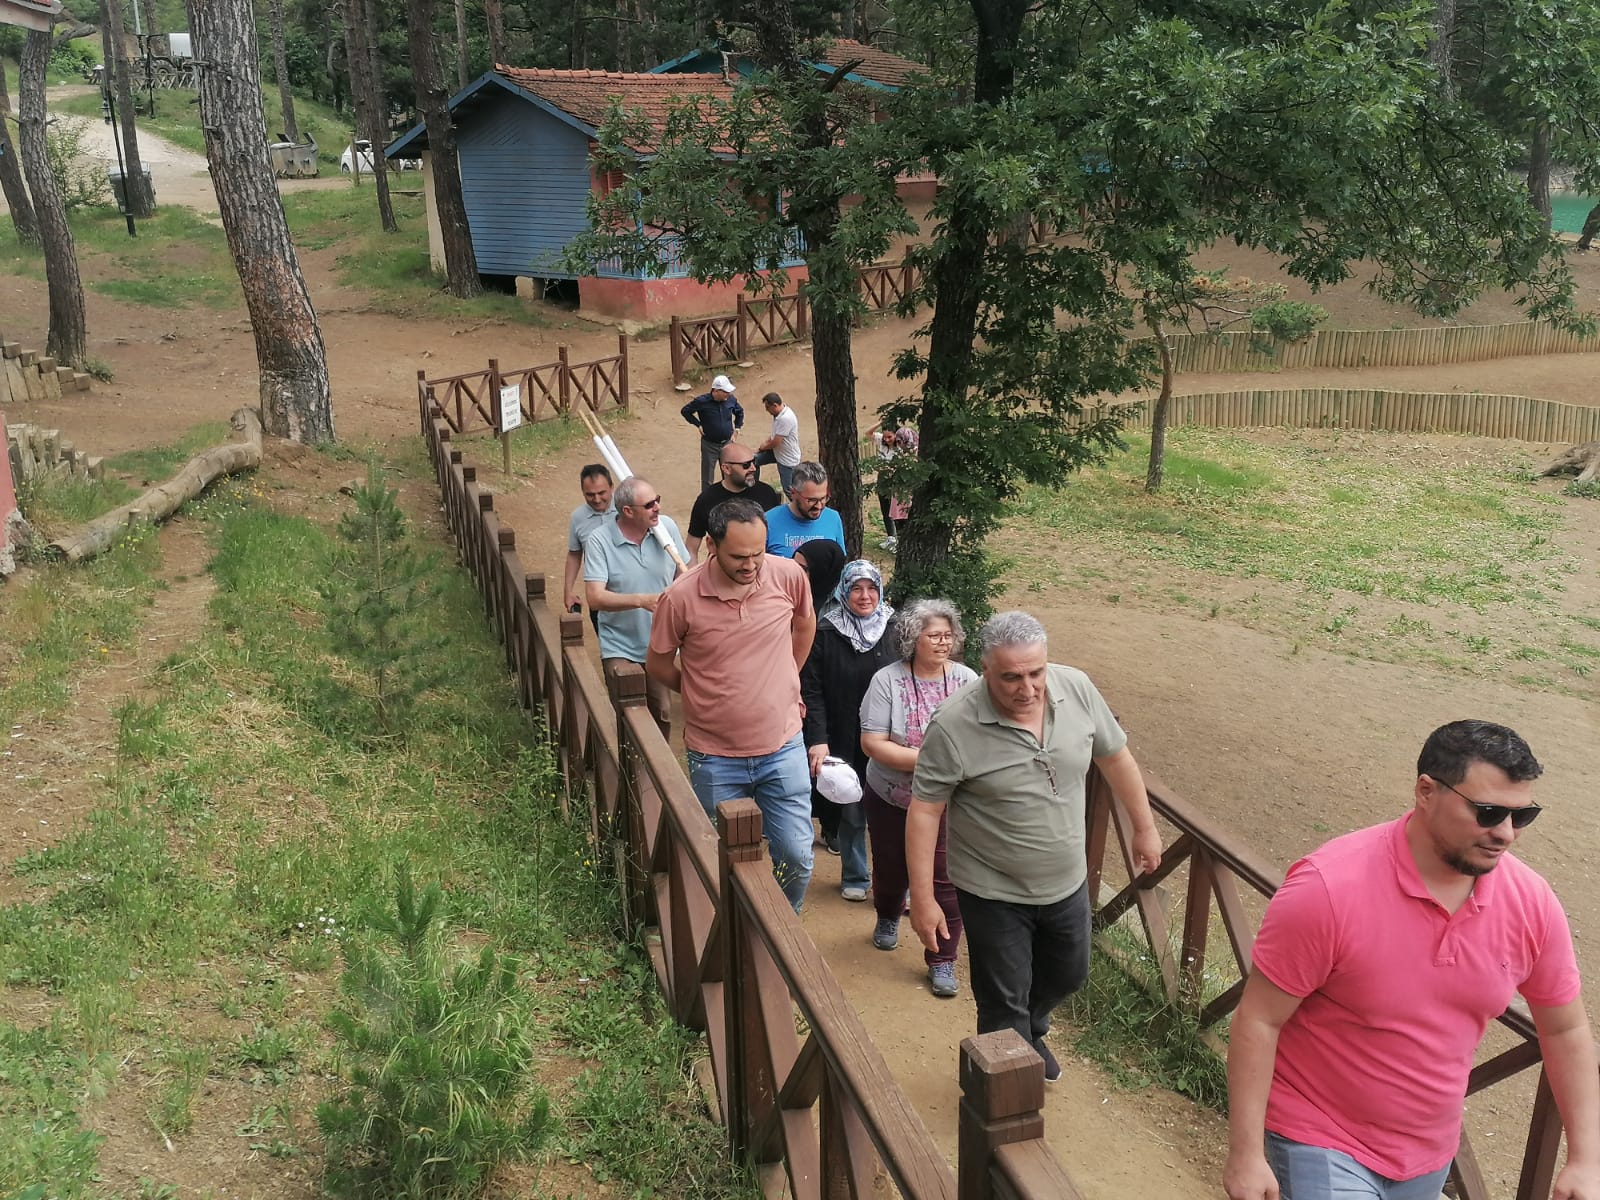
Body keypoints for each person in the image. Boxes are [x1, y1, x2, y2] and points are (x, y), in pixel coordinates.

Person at [1223, 720, 1599, 1200]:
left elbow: (1565, 1029)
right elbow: (1258, 1018)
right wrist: (1246, 1155)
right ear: (1426, 791)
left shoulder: (1532, 903)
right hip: (1319, 1137)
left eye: (1521, 816)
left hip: (1428, 1158)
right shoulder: (1328, 890)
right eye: (1487, 812)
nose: (1505, 834)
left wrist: (1587, 1158)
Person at [907, 610, 1161, 1082]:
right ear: (985, 670)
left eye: (1036, 673)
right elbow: (925, 810)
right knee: (1002, 1001)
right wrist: (923, 899)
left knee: (1069, 974)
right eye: (1011, 677)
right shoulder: (954, 724)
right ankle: (999, 1105)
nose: (1027, 689)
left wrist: (1144, 828)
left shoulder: (1077, 688)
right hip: (991, 889)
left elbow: (1115, 756)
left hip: (1065, 880)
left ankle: (1030, 1031)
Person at [647, 499, 818, 911]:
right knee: (713, 858)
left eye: (758, 553)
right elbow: (656, 662)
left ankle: (782, 931)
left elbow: (805, 622)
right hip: (714, 755)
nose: (751, 564)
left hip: (783, 745)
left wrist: (788, 677)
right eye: (739, 556)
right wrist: (697, 692)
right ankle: (727, 939)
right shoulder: (680, 598)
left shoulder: (789, 576)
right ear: (711, 544)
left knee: (796, 856)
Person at [858, 599, 977, 998]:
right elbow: (872, 743)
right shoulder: (887, 680)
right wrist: (934, 761)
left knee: (948, 879)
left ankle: (942, 956)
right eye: (935, 636)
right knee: (892, 869)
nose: (944, 643)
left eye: (949, 635)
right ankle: (888, 914)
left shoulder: (966, 681)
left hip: (948, 804)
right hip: (892, 796)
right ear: (913, 639)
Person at [801, 561, 897, 906]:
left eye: (871, 588)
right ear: (844, 591)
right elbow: (810, 690)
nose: (865, 596)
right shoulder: (826, 632)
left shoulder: (894, 629)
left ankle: (897, 884)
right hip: (843, 735)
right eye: (856, 588)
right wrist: (818, 738)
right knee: (852, 810)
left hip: (891, 739)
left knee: (894, 816)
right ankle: (856, 875)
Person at [583, 476, 687, 737]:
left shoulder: (668, 528)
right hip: (619, 644)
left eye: (657, 500)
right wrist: (642, 601)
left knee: (661, 712)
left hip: (659, 645)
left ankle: (654, 776)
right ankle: (626, 773)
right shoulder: (599, 540)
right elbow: (595, 598)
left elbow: (683, 574)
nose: (658, 508)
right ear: (627, 511)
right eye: (650, 504)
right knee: (626, 713)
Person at [685, 442, 781, 561]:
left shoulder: (767, 493)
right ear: (726, 468)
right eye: (746, 465)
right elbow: (691, 548)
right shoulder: (707, 499)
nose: (753, 468)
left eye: (753, 462)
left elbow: (778, 537)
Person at [563, 464, 614, 632]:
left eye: (602, 493)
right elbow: (574, 554)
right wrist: (568, 591)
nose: (597, 499)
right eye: (590, 495)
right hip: (598, 596)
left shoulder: (628, 510)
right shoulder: (578, 517)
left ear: (612, 488)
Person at [764, 461, 846, 559]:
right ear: (793, 493)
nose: (819, 506)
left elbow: (840, 563)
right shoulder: (768, 521)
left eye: (823, 498)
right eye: (811, 500)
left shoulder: (833, 518)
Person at [680, 374, 744, 491]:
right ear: (716, 391)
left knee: (729, 473)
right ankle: (706, 502)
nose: (728, 394)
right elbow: (685, 411)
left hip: (727, 444)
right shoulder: (701, 401)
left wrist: (737, 429)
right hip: (709, 445)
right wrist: (698, 424)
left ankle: (729, 499)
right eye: (725, 391)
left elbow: (739, 412)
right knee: (707, 477)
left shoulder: (731, 399)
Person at [752, 392, 802, 496]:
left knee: (789, 490)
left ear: (775, 405)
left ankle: (800, 510)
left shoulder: (785, 418)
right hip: (778, 453)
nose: (767, 410)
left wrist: (764, 446)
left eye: (767, 407)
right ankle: (753, 489)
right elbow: (774, 436)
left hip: (787, 459)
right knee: (754, 460)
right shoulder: (778, 415)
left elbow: (776, 442)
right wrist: (761, 449)